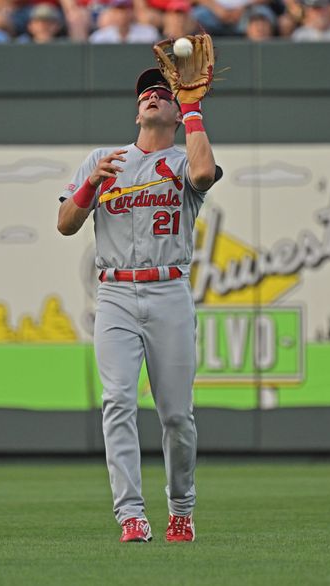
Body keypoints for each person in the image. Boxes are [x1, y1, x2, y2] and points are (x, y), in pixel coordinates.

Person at [56, 67, 219, 543]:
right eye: (146, 92)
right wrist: (91, 186)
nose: (152, 95)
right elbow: (65, 224)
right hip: (115, 293)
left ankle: (181, 508)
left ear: (175, 111)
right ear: (136, 110)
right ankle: (130, 513)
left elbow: (205, 173)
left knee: (176, 415)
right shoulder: (102, 160)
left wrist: (192, 107)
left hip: (169, 290)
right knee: (117, 402)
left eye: (162, 93)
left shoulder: (184, 157)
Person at [89, 0, 160, 43]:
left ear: (132, 11)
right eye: (118, 10)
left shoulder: (149, 33)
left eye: (125, 10)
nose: (121, 15)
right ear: (112, 12)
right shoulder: (100, 37)